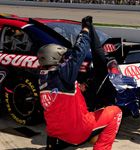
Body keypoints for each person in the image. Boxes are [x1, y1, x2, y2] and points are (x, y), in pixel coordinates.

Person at [37, 16, 122, 150]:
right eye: (62, 58)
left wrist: (79, 88)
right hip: (77, 133)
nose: (65, 60)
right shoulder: (64, 74)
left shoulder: (43, 78)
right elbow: (79, 52)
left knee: (55, 113)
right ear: (55, 59)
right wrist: (86, 30)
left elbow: (61, 94)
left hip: (57, 133)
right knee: (116, 112)